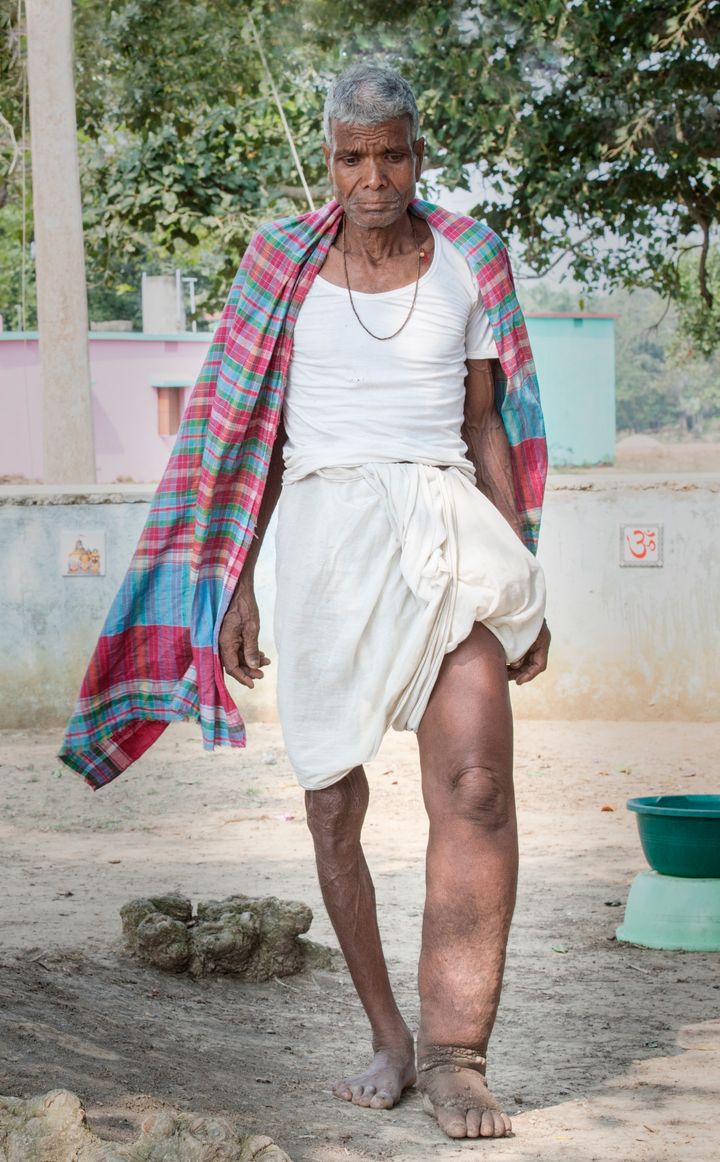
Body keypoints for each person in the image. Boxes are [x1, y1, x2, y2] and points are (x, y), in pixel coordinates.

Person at [218, 63, 551, 1141]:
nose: (374, 177)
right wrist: (236, 585)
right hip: (319, 546)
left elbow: (487, 422)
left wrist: (522, 573)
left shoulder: (469, 259)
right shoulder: (280, 268)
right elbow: (251, 442)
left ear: (419, 154)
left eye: (393, 153)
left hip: (445, 528)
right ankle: (388, 1034)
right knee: (330, 804)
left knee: (478, 782)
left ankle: (458, 1053)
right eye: (353, 156)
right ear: (329, 160)